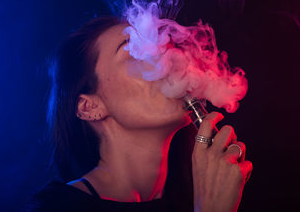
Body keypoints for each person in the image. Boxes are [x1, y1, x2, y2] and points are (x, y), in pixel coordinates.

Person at [23, 16, 253, 212]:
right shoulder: (58, 207)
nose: (167, 61)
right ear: (89, 107)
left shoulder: (195, 195)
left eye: (159, 48)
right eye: (134, 52)